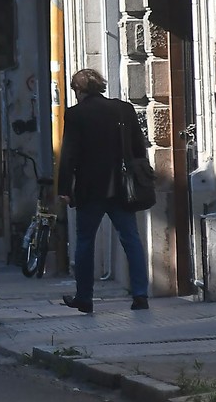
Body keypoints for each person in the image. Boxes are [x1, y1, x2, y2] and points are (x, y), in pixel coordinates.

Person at [58, 68, 150, 313]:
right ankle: (140, 295)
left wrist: (64, 188)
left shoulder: (76, 114)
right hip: (122, 187)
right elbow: (138, 147)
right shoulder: (124, 109)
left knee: (85, 242)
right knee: (131, 239)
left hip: (90, 189)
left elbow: (69, 154)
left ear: (78, 90)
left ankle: (84, 298)